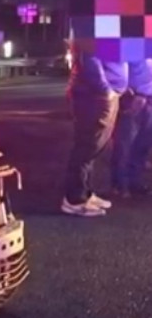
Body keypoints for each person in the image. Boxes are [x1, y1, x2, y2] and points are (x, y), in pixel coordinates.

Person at [62, 51, 125, 216]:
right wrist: (105, 89)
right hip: (95, 97)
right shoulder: (98, 28)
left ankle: (85, 194)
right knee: (86, 146)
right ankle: (74, 200)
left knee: (94, 147)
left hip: (104, 96)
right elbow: (89, 58)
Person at [110, 59, 152, 197]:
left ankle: (135, 182)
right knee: (124, 144)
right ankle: (120, 185)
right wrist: (126, 93)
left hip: (149, 100)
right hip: (133, 100)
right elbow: (115, 70)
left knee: (142, 145)